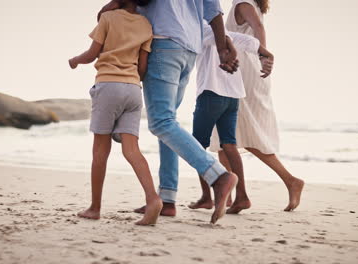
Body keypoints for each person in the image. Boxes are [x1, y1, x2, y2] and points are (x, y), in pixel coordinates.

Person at [98, 0, 240, 224]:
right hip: (189, 48)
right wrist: (223, 44)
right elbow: (213, 8)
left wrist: (115, 3)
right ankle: (167, 198)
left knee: (161, 122)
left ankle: (219, 176)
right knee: (168, 123)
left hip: (163, 41)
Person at [68, 0, 163, 226]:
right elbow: (142, 68)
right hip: (133, 89)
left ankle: (95, 208)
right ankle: (152, 198)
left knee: (100, 150)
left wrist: (75, 60)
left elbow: (92, 54)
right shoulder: (146, 25)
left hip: (108, 85)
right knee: (132, 150)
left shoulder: (108, 18)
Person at [208, 0, 305, 212]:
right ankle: (232, 197)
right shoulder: (249, 3)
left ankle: (291, 181)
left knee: (237, 135)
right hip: (242, 73)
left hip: (243, 75)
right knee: (225, 138)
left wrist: (263, 56)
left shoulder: (243, 3)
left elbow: (259, 28)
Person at [189, 22, 274, 212]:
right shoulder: (223, 31)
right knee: (229, 144)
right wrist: (267, 54)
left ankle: (206, 197)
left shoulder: (202, 28)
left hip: (211, 92)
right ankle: (242, 197)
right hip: (233, 96)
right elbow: (249, 40)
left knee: (196, 146)